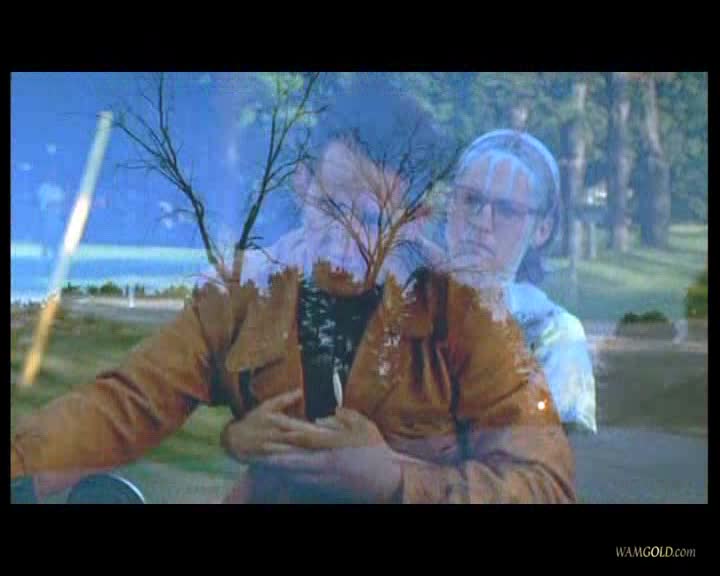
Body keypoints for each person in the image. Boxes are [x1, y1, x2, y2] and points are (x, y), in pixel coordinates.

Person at [11, 76, 574, 504]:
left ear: (416, 220)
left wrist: (396, 479)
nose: (345, 240)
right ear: (303, 185)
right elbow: (127, 402)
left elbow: (546, 484)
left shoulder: (467, 311)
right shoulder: (244, 292)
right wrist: (22, 471)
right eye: (331, 206)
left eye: (373, 220)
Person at [436, 129, 597, 433]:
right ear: (449, 205)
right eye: (471, 200)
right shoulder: (406, 302)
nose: (482, 221)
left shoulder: (552, 332)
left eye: (507, 210)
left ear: (542, 230)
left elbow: (555, 453)